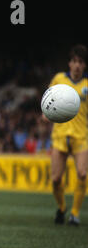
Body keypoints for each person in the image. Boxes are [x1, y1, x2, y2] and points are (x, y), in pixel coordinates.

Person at [48, 44, 88, 226]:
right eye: (74, 61)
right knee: (56, 179)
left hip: (81, 136)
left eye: (80, 62)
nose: (77, 65)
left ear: (84, 65)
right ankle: (62, 207)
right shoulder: (59, 79)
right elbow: (47, 100)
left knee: (82, 173)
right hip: (60, 134)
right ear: (69, 63)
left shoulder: (87, 85)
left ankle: (74, 213)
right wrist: (45, 113)